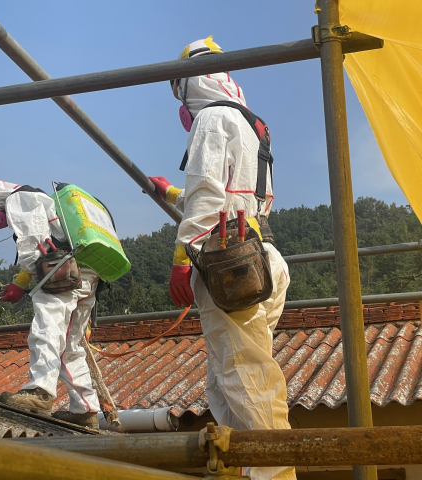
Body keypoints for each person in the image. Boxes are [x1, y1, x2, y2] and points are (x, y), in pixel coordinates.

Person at [148, 37, 295, 480]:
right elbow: (237, 200)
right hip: (260, 257)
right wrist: (171, 192)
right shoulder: (252, 125)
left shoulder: (210, 118)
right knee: (228, 382)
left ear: (190, 84)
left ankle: (273, 476)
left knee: (244, 381)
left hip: (229, 268)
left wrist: (180, 258)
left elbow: (209, 195)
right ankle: (245, 472)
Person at [0, 178, 101, 428]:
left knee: (46, 328)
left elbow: (36, 251)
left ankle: (40, 392)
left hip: (63, 272)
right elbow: (44, 243)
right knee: (70, 344)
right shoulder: (32, 197)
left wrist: (20, 283)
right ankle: (85, 409)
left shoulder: (18, 200)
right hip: (87, 271)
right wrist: (20, 283)